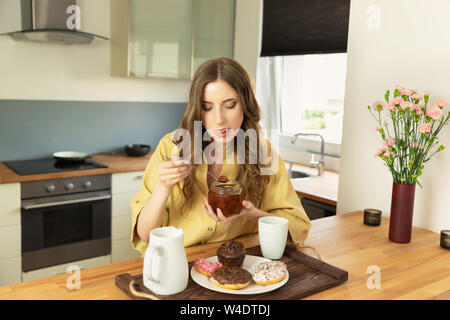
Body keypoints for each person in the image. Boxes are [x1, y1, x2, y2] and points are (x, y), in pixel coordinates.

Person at [130, 57, 311, 255]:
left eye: (230, 105)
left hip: (242, 262)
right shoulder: (171, 148)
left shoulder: (262, 153)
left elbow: (297, 225)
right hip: (179, 264)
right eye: (207, 107)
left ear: (245, 104)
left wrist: (250, 214)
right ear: (197, 109)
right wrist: (163, 188)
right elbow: (146, 234)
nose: (218, 119)